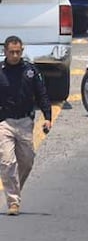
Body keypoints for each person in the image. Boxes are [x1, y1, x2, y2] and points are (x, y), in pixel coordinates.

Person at [0, 35, 52, 216]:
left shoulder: (30, 71)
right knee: (7, 162)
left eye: (18, 52)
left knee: (27, 161)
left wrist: (48, 117)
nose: (15, 55)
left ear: (22, 51)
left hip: (25, 122)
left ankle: (14, 189)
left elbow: (42, 94)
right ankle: (13, 202)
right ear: (5, 51)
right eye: (11, 52)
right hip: (4, 121)